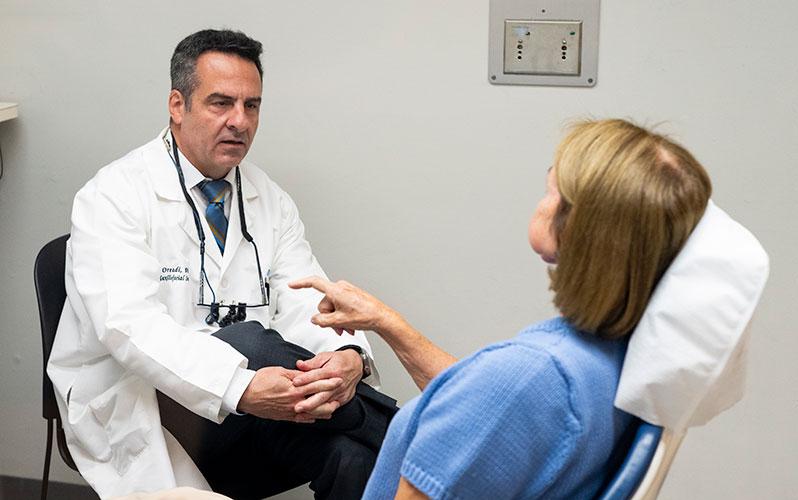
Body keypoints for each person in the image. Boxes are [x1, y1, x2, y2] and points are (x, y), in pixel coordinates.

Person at [47, 29, 396, 500]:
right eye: (221, 103)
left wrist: (348, 357)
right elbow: (127, 326)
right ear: (177, 105)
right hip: (147, 402)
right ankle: (403, 431)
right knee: (247, 340)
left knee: (353, 455)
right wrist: (238, 386)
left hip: (257, 401)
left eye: (252, 106)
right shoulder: (114, 195)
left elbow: (307, 301)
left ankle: (389, 434)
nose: (240, 121)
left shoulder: (269, 199)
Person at [290, 119, 713, 499]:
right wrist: (386, 322)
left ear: (579, 229)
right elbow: (481, 401)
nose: (543, 197)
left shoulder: (531, 376)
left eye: (552, 191)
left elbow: (500, 398)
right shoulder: (616, 356)